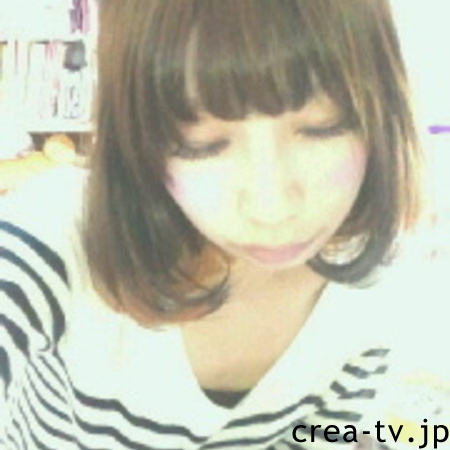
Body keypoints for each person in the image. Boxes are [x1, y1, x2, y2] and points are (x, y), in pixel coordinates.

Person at [1, 1, 449, 449]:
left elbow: (317, 436)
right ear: (138, 144)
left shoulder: (373, 287)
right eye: (201, 145)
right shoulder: (61, 234)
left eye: (323, 127)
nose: (271, 209)